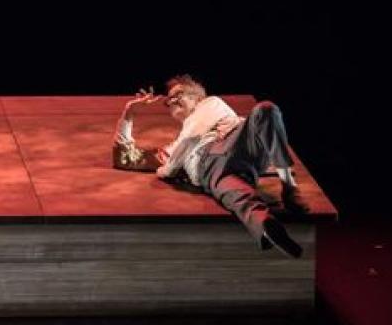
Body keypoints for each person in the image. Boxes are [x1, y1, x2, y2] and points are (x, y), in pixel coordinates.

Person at [113, 75, 309, 258]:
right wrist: (129, 111)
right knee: (237, 196)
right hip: (211, 166)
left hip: (237, 142)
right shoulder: (175, 146)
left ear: (197, 97)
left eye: (178, 95)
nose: (172, 101)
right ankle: (267, 227)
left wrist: (167, 170)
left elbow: (186, 145)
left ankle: (289, 187)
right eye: (168, 101)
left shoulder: (211, 104)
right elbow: (126, 158)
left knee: (266, 109)